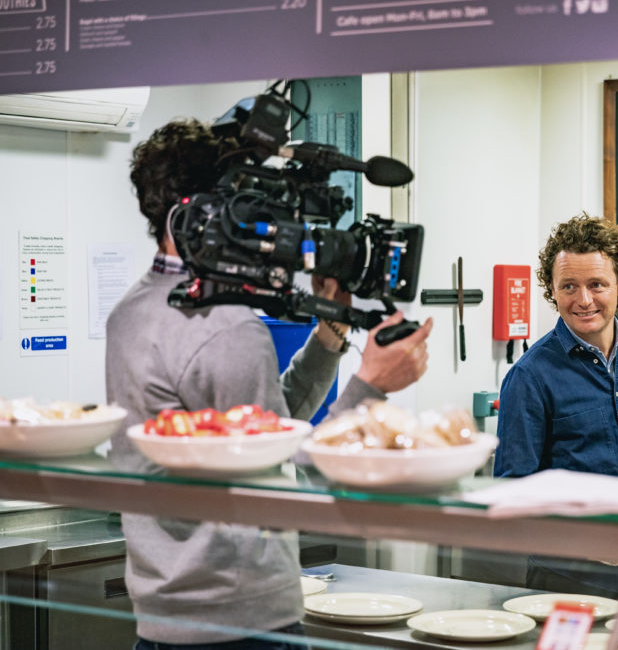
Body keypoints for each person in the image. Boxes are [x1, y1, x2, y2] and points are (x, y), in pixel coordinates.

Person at [106, 118, 433, 649]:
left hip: (164, 616)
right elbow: (297, 464)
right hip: (244, 620)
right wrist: (371, 383)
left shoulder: (131, 312)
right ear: (209, 208)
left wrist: (329, 338)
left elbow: (262, 429)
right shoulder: (227, 327)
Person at [493, 213, 618, 597]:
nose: (583, 300)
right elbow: (515, 490)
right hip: (571, 580)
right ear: (552, 290)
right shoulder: (529, 376)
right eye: (568, 286)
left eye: (597, 284)